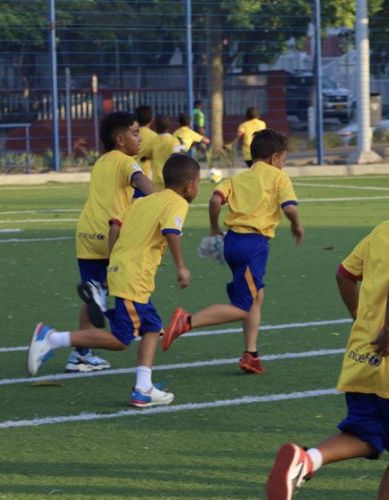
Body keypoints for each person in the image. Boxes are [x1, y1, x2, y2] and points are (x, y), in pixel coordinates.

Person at [265, 153, 389, 500]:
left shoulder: (382, 231)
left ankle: (307, 460)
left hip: (359, 357)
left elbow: (344, 274)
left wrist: (363, 320)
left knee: (367, 435)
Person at [27, 154, 200, 407]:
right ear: (189, 185)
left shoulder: (145, 201)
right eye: (198, 182)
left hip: (123, 270)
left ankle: (143, 388)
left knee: (152, 327)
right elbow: (171, 232)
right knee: (122, 339)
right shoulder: (177, 203)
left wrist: (115, 264)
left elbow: (116, 227)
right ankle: (52, 338)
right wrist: (181, 267)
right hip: (135, 277)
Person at [161, 130, 304, 375]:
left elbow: (216, 200)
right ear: (275, 158)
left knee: (257, 295)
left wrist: (215, 227)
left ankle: (251, 354)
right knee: (242, 306)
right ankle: (186, 322)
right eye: (283, 160)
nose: (283, 164)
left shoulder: (239, 178)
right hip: (254, 246)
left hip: (232, 242)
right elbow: (289, 207)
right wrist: (296, 224)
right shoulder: (279, 178)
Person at [70, 111, 156, 374]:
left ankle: (80, 355)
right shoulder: (127, 163)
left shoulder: (102, 162)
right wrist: (159, 205)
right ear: (120, 139)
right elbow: (144, 184)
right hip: (112, 236)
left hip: (86, 236)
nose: (138, 137)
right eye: (134, 133)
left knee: (95, 296)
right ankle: (129, 325)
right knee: (130, 293)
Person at [148, 115, 185, 191]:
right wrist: (183, 146)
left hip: (157, 179)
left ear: (155, 127)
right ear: (169, 126)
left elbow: (147, 155)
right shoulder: (174, 140)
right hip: (170, 179)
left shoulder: (153, 141)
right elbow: (178, 158)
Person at [134, 105, 159, 194]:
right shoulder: (154, 137)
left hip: (128, 176)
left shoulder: (131, 135)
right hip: (143, 179)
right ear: (152, 119)